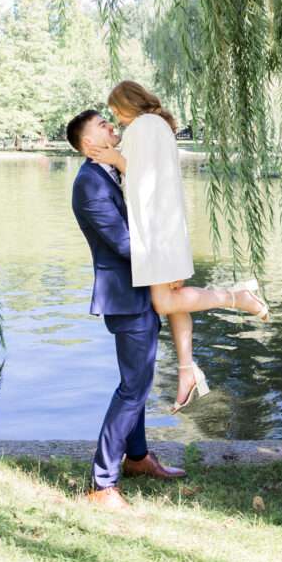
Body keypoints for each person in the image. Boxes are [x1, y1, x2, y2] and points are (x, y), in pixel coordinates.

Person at [88, 80, 269, 413]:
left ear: (129, 104)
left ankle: (237, 298)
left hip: (158, 229)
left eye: (117, 112)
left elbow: (144, 179)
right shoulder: (155, 125)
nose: (118, 119)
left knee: (163, 302)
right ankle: (187, 371)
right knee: (172, 301)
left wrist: (114, 157)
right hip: (164, 225)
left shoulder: (144, 126)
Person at [67, 108, 187, 511]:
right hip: (125, 295)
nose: (111, 127)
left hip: (140, 291)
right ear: (89, 143)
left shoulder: (111, 173)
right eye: (103, 125)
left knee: (138, 381)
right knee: (133, 388)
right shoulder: (90, 184)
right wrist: (169, 265)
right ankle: (102, 483)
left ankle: (136, 459)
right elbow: (124, 243)